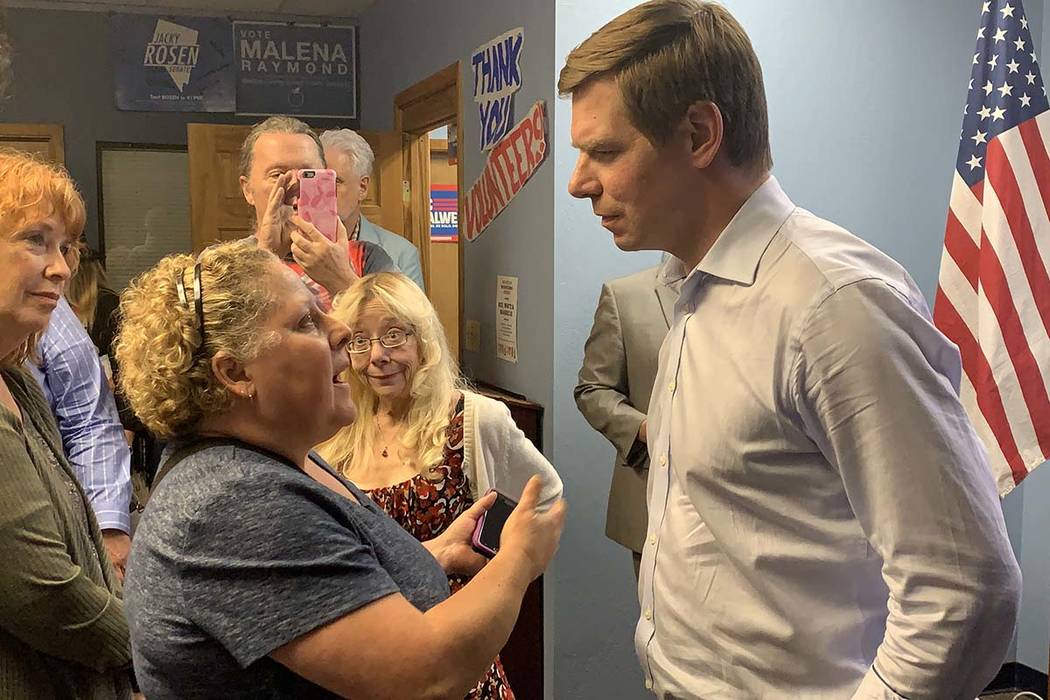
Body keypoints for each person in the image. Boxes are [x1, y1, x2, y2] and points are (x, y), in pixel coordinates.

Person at [561, 2, 1021, 698]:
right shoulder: (689, 287)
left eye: (605, 151)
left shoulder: (833, 306)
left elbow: (965, 589)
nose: (579, 182)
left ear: (698, 133)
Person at [115, 241, 565, 699]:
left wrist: (438, 554)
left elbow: (326, 594)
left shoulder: (286, 461)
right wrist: (519, 557)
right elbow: (425, 677)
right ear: (235, 372)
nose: (341, 332)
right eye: (306, 321)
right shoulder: (236, 505)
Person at [317, 271, 562, 700]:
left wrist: (496, 565)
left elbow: (543, 497)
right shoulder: (336, 428)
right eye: (360, 341)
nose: (377, 356)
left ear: (424, 340)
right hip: (367, 652)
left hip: (456, 652)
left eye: (394, 336)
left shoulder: (472, 419)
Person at [0, 150, 132, 698]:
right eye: (36, 241)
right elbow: (44, 594)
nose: (62, 267)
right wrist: (158, 649)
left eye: (65, 247)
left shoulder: (17, 377)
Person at [574, 263, 677, 578]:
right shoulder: (626, 296)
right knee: (660, 625)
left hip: (747, 508)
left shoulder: (758, 295)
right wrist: (646, 429)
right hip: (657, 498)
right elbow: (593, 389)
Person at [240, 116, 396, 311]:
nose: (295, 185)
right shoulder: (223, 264)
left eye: (308, 174)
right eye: (278, 174)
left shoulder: (369, 258)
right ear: (247, 190)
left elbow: (402, 332)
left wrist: (341, 279)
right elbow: (223, 336)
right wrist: (266, 259)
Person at [320, 129, 425, 290]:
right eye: (318, 180)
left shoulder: (400, 254)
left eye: (335, 181)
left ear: (362, 187)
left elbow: (410, 315)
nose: (323, 190)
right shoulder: (291, 247)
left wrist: (343, 278)